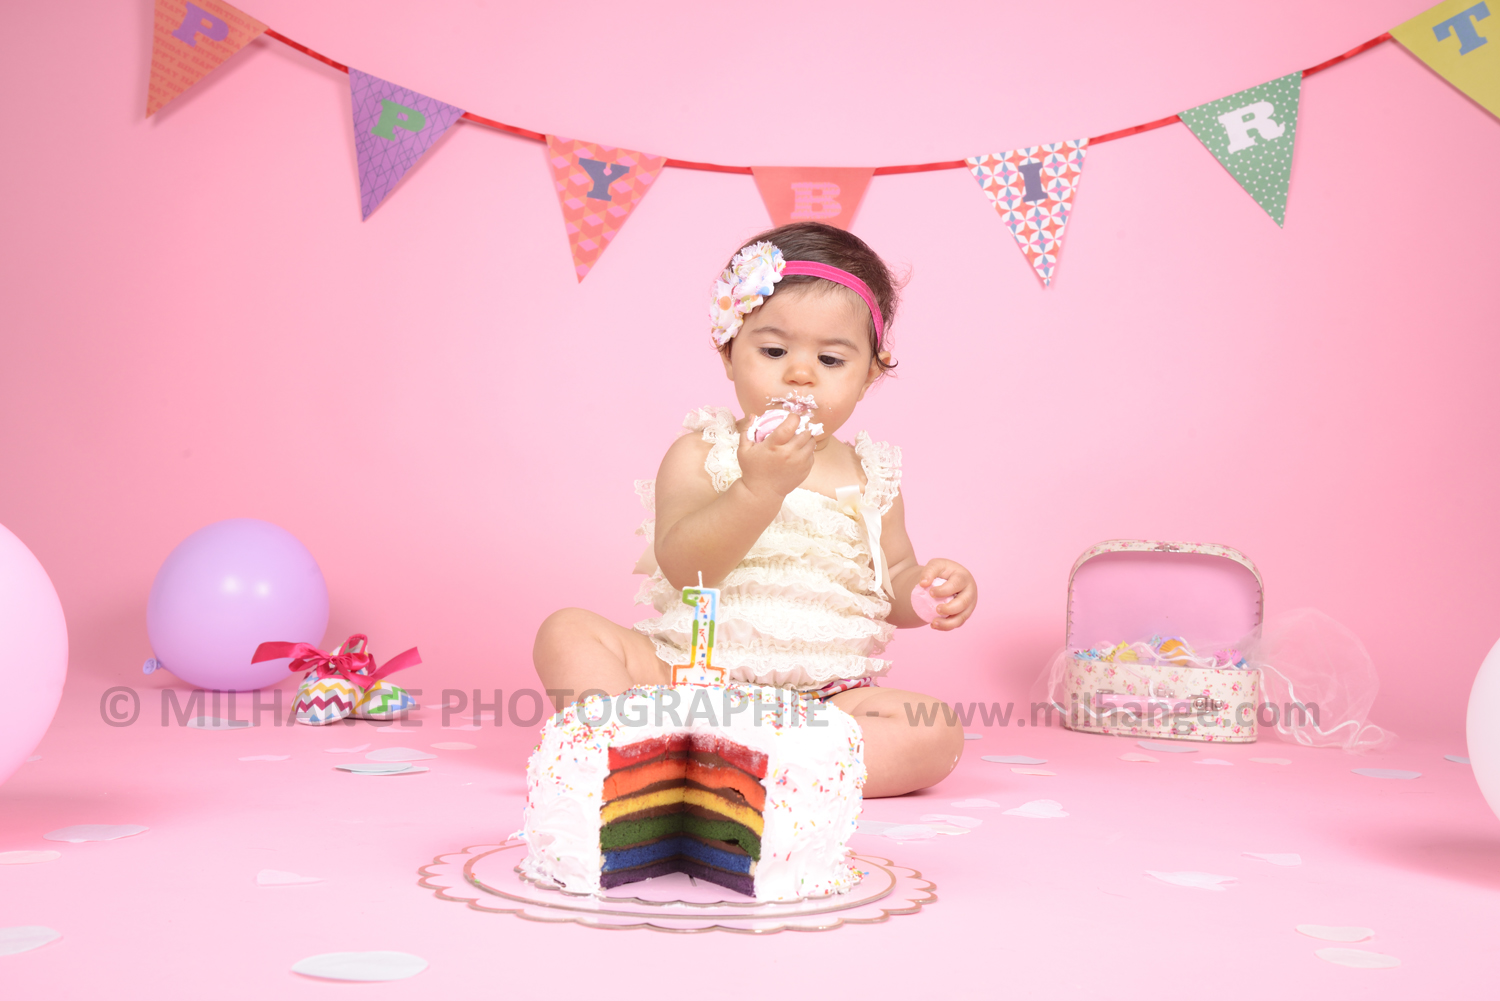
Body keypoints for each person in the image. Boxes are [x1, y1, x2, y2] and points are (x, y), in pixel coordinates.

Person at [534, 222, 976, 797]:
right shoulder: (704, 452)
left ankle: (749, 763)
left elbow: (891, 579)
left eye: (831, 359)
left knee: (934, 730)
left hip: (822, 699)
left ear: (869, 375)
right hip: (684, 676)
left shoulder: (870, 474)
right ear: (728, 352)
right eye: (773, 351)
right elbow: (686, 568)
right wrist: (757, 491)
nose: (800, 373)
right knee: (567, 632)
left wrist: (927, 590)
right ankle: (639, 747)